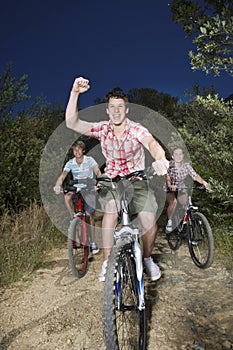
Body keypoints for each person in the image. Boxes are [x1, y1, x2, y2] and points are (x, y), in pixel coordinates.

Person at [65, 76, 169, 282]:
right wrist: (74, 93)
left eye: (120, 107)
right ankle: (107, 262)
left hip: (137, 180)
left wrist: (161, 158)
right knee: (111, 210)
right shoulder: (103, 129)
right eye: (112, 107)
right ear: (107, 110)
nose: (116, 111)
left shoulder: (136, 129)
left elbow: (151, 143)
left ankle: (147, 259)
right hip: (112, 181)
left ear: (127, 109)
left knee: (149, 221)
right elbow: (72, 122)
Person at [54, 140, 101, 254]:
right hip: (76, 188)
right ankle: (73, 217)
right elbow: (63, 175)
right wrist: (57, 184)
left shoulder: (90, 160)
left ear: (83, 150)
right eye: (74, 149)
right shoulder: (70, 163)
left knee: (89, 215)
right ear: (73, 151)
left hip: (89, 188)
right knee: (67, 196)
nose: (77, 151)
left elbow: (98, 172)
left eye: (79, 149)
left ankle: (93, 241)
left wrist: (99, 182)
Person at [165, 147, 209, 232]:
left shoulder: (186, 166)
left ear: (183, 156)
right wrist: (170, 185)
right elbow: (167, 178)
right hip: (170, 188)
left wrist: (204, 182)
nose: (178, 156)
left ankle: (188, 229)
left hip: (181, 187)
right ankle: (170, 221)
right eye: (176, 154)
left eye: (180, 154)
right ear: (173, 156)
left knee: (186, 205)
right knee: (173, 202)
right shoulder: (169, 165)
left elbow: (195, 175)